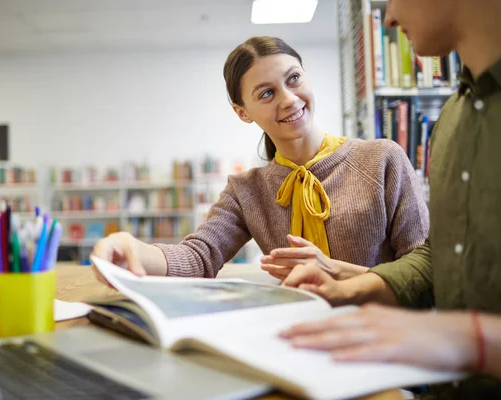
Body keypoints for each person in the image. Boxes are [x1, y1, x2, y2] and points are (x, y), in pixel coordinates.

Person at [278, 0, 501, 398]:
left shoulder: (381, 157)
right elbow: (440, 255)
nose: (390, 16)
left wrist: (472, 339)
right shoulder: (452, 118)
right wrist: (347, 287)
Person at [92, 36, 428, 282]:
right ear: (242, 113)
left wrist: (338, 272)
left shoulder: (382, 159)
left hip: (384, 342)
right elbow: (199, 256)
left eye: (293, 79)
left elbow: (425, 274)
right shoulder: (246, 190)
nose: (288, 99)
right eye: (266, 93)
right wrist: (132, 247)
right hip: (301, 341)